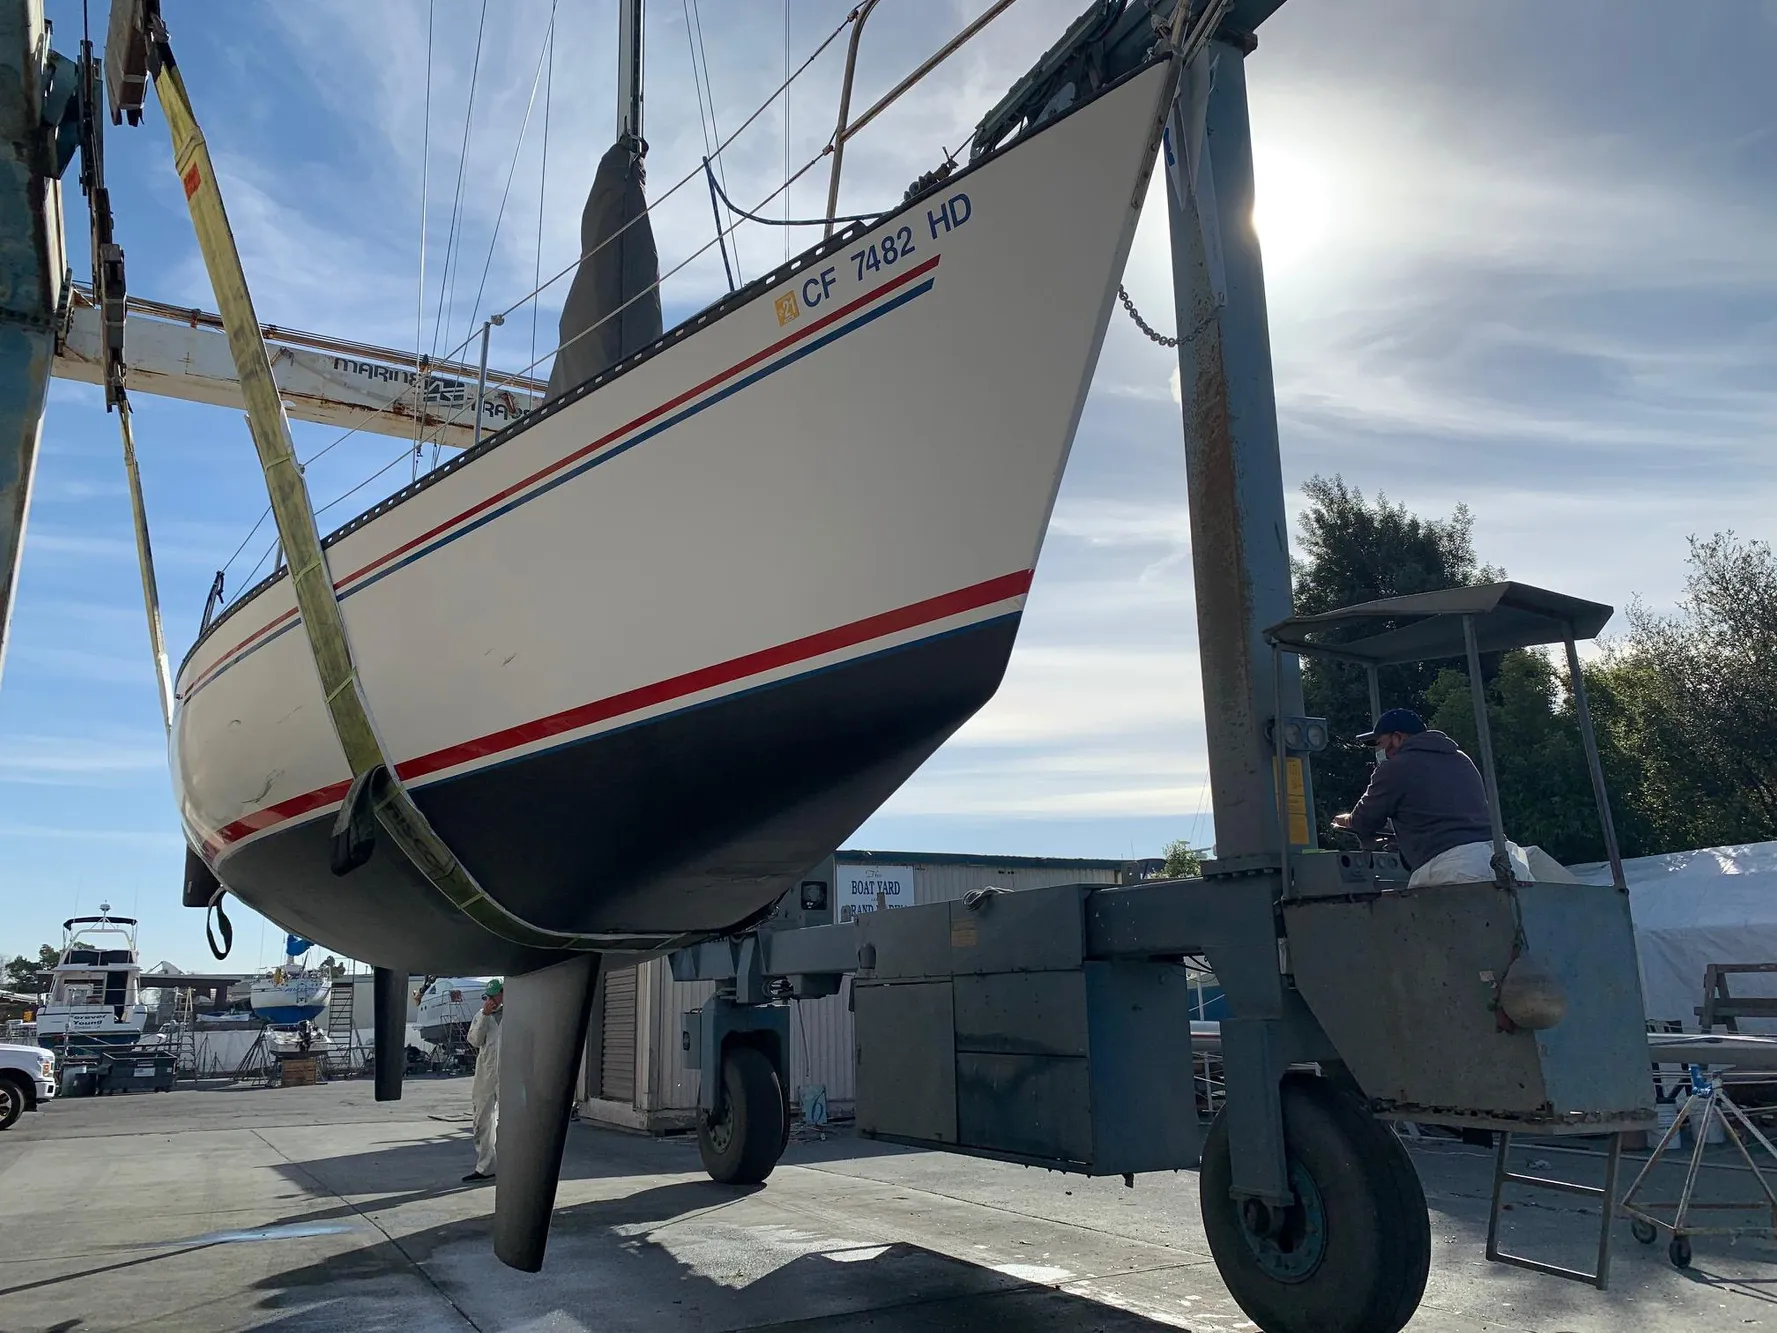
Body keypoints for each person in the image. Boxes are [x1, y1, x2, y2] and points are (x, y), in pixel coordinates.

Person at [1331, 707, 1503, 882]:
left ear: (1398, 738)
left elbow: (1364, 820)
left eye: (1380, 743)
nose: (1379, 750)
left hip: (1453, 868)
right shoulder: (1461, 759)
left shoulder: (1395, 768)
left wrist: (1345, 820)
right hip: (1501, 858)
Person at [463, 978, 503, 1183]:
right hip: (486, 1072)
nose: (491, 1000)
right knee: (482, 1119)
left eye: (495, 995)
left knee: (511, 1120)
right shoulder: (482, 1016)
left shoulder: (517, 1014)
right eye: (488, 996)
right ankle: (485, 1166)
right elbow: (474, 1041)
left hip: (509, 1071)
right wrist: (485, 1016)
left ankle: (512, 1164)